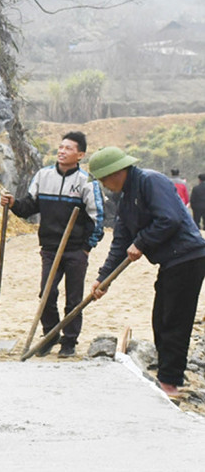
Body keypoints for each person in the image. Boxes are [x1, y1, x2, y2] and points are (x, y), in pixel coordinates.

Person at [88, 146, 205, 397]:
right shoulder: (125, 199)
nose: (104, 185)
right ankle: (168, 375)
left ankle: (170, 382)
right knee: (160, 318)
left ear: (117, 171)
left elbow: (169, 219)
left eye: (104, 178)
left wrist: (142, 242)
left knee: (174, 320)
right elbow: (120, 242)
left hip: (188, 258)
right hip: (170, 263)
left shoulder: (151, 181)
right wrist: (103, 279)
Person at [0, 131, 101, 358]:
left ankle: (69, 341)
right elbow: (29, 207)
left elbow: (97, 218)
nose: (62, 151)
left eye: (69, 148)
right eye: (61, 147)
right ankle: (50, 334)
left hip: (75, 250)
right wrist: (14, 203)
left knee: (74, 298)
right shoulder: (43, 176)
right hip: (50, 248)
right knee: (46, 293)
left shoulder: (86, 182)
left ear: (80, 154)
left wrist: (86, 247)